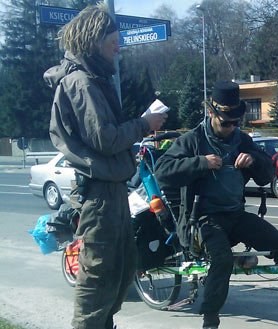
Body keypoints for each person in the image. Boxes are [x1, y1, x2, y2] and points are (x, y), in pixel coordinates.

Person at [154, 80, 278, 329]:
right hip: (202, 218)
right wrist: (200, 163)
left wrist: (254, 160)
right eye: (226, 122)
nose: (231, 127)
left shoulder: (242, 140)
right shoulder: (192, 141)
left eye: (236, 122)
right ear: (211, 112)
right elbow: (163, 170)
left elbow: (267, 174)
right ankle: (210, 320)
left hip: (235, 216)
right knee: (222, 259)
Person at [43, 3, 167, 329]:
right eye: (113, 40)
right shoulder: (81, 83)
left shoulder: (94, 79)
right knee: (98, 280)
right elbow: (105, 139)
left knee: (122, 271)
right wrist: (144, 124)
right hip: (99, 196)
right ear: (94, 39)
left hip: (111, 193)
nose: (119, 46)